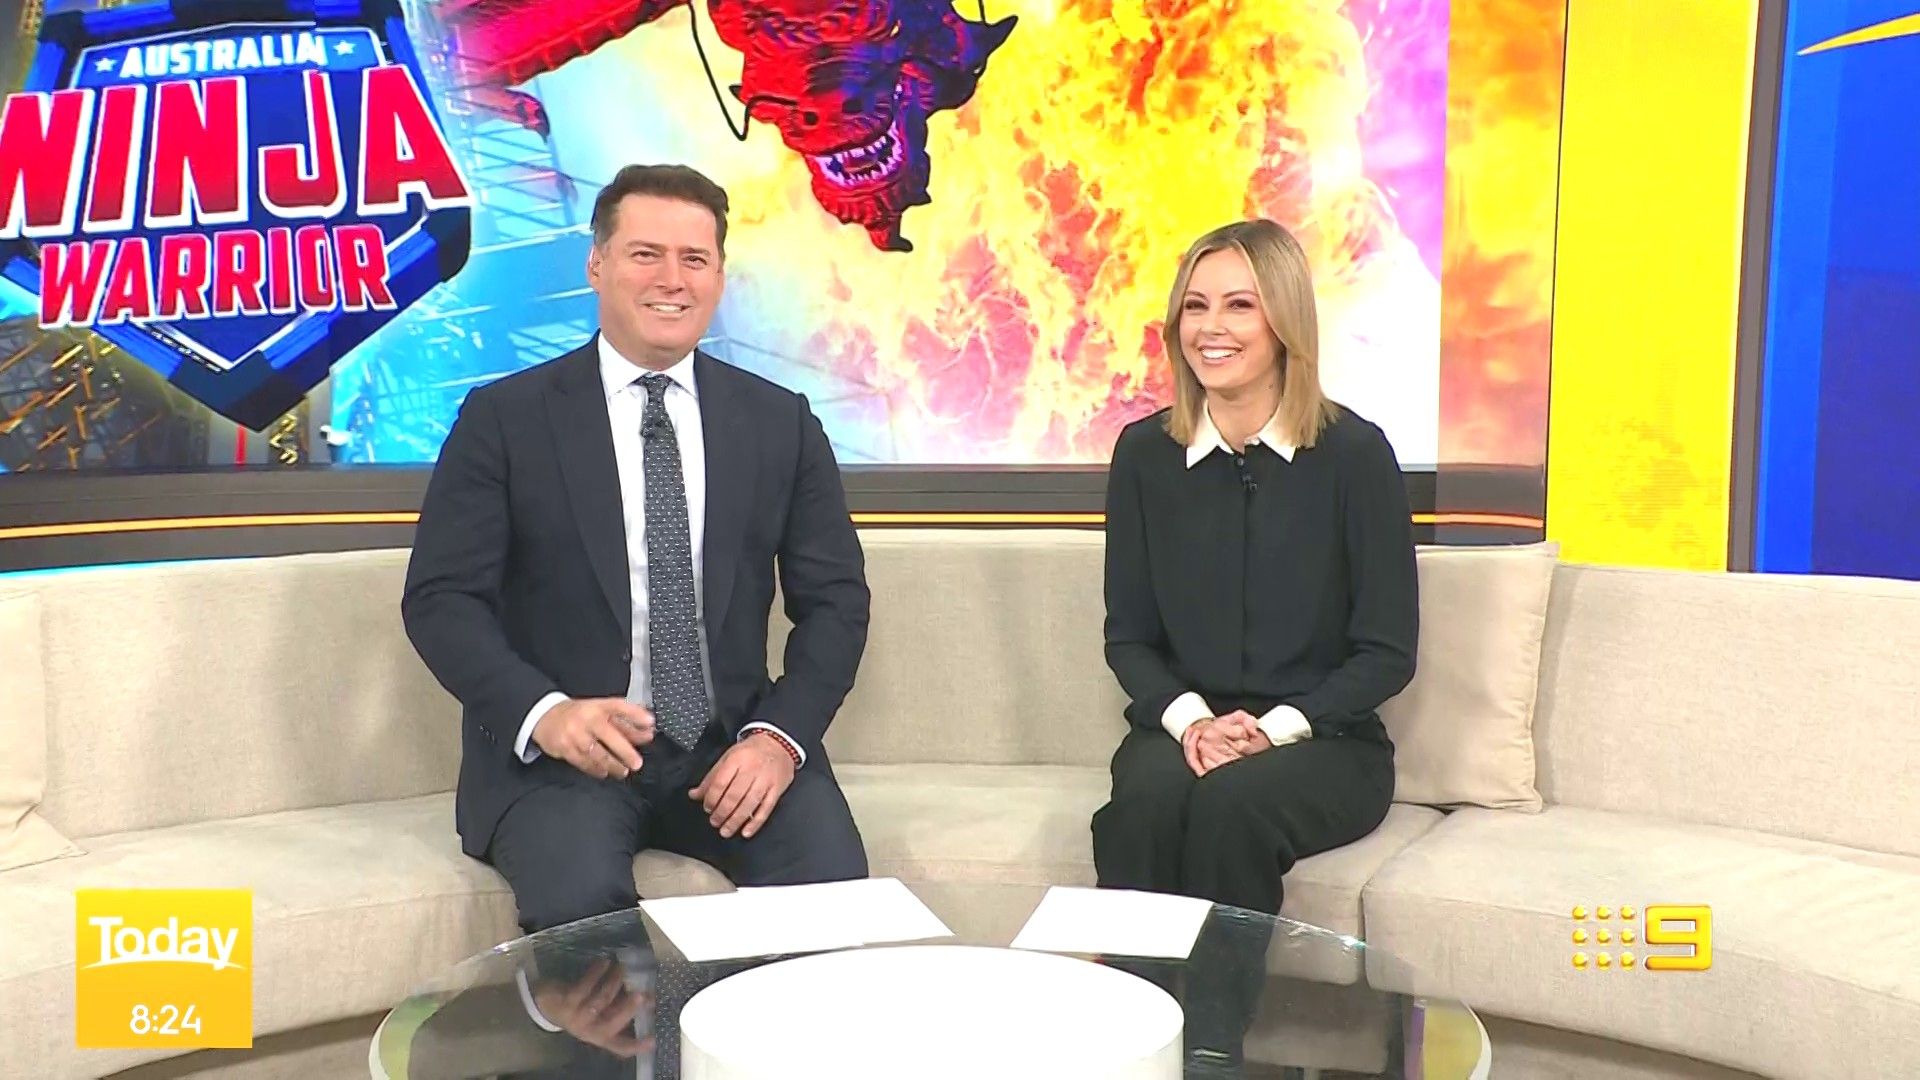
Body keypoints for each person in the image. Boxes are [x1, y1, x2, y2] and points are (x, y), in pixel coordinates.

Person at [402, 163, 872, 939]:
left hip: (730, 745)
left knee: (834, 902)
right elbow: (441, 599)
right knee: (580, 915)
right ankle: (635, 1030)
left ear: (719, 275)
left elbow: (837, 604)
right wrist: (545, 714)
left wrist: (778, 740)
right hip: (563, 756)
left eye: (695, 259)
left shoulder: (779, 423)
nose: (671, 280)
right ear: (597, 264)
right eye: (645, 254)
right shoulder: (505, 419)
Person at [1090, 217, 1418, 920]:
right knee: (1144, 805)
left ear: (1284, 323)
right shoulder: (1145, 455)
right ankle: (1133, 991)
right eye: (1196, 306)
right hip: (1182, 728)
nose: (1211, 327)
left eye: (1240, 305)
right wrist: (1194, 724)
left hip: (1327, 740)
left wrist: (1274, 728)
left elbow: (1386, 653)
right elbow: (1130, 639)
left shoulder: (1355, 457)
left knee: (1230, 807)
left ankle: (1216, 1000)